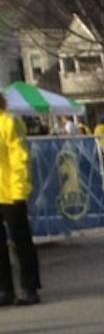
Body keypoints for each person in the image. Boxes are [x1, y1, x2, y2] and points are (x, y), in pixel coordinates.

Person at [0, 105, 38, 307]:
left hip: (10, 191)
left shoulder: (9, 122)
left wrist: (20, 189)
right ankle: (4, 288)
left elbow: (20, 158)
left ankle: (29, 287)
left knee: (20, 240)